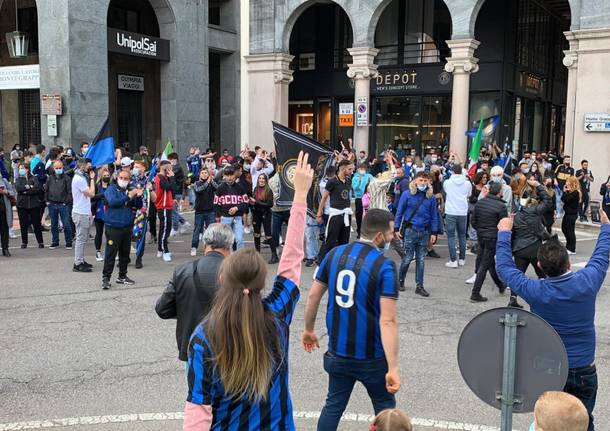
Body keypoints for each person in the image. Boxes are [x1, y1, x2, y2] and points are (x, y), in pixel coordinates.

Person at [183, 151, 313, 430]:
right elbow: (291, 259)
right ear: (260, 284)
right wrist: (300, 196)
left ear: (221, 278)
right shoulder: (277, 314)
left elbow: (198, 411)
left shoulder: (203, 335)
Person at [496, 209, 610, 431]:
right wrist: (605, 227)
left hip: (550, 367)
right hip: (583, 367)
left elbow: (505, 268)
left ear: (540, 266)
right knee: (582, 420)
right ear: (568, 262)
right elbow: (602, 254)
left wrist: (503, 233)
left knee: (550, 423)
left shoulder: (536, 290)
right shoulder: (587, 281)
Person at [302, 209, 400, 431]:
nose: (393, 237)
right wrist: (393, 367)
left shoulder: (335, 254)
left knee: (333, 405)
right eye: (391, 233)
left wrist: (308, 329)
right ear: (379, 236)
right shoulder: (384, 265)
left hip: (338, 351)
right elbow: (388, 321)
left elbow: (313, 295)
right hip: (371, 356)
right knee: (385, 409)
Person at [156, 223, 234, 361]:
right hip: (229, 348)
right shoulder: (237, 274)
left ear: (205, 245)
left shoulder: (182, 271)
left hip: (193, 347)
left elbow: (162, 309)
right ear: (229, 247)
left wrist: (185, 310)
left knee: (196, 382)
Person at [507, 178, 551, 308]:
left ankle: (513, 298)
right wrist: (538, 185)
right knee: (542, 274)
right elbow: (548, 200)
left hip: (520, 249)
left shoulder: (516, 216)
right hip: (535, 248)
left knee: (518, 275)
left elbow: (512, 234)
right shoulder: (536, 211)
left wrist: (511, 249)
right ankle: (546, 298)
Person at [394, 171, 439, 296]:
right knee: (407, 258)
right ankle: (400, 280)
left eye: (425, 181)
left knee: (421, 259)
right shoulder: (406, 194)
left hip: (424, 232)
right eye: (421, 180)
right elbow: (399, 212)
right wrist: (396, 228)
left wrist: (434, 232)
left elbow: (434, 216)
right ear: (415, 181)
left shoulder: (431, 197)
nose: (423, 183)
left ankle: (420, 286)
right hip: (410, 231)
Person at [101, 170, 143, 290]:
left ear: (129, 179)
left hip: (127, 225)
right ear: (117, 177)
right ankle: (106, 278)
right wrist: (128, 196)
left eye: (126, 178)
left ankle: (122, 276)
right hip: (113, 226)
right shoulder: (111, 189)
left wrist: (138, 196)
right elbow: (113, 202)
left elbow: (138, 206)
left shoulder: (131, 189)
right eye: (121, 177)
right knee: (111, 253)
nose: (123, 180)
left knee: (125, 252)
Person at [470, 181, 508, 302]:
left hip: (482, 236)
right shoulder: (501, 206)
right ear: (499, 192)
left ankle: (500, 285)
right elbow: (503, 225)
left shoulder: (480, 202)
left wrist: (480, 231)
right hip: (492, 237)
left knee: (488, 261)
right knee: (485, 264)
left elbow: (473, 221)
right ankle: (475, 293)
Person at [316, 159, 354, 263]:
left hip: (346, 214)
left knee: (344, 240)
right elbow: (323, 198)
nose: (351, 171)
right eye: (350, 169)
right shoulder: (332, 181)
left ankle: (340, 261)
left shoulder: (348, 180)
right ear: (343, 169)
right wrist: (319, 213)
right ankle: (322, 261)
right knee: (330, 240)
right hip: (335, 215)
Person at [214, 164, 249, 250]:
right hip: (225, 217)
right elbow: (216, 204)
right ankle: (227, 258)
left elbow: (246, 202)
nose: (229, 178)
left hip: (237, 217)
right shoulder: (220, 188)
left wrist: (237, 208)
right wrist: (218, 216)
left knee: (239, 239)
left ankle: (239, 258)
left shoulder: (240, 188)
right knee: (226, 241)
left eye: (231, 175)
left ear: (235, 175)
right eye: (227, 175)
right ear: (224, 176)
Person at [443, 164, 471, 268]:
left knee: (451, 236)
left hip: (451, 211)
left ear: (453, 172)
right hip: (462, 211)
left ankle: (453, 260)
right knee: (462, 235)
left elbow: (446, 191)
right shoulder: (467, 183)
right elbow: (469, 194)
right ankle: (462, 259)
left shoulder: (447, 182)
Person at [71, 158, 96, 272]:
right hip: (80, 212)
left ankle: (81, 260)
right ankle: (77, 263)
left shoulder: (81, 177)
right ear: (82, 166)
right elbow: (91, 193)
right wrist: (92, 179)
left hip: (84, 211)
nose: (89, 168)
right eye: (88, 166)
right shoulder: (79, 179)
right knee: (81, 239)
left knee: (83, 238)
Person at [15, 162, 44, 249]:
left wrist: (27, 190)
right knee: (23, 224)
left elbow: (37, 188)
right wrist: (29, 187)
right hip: (22, 205)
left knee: (36, 224)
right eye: (20, 168)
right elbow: (18, 188)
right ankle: (24, 242)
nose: (21, 170)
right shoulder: (18, 179)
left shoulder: (34, 178)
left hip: (34, 204)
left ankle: (40, 242)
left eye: (23, 168)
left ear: (27, 169)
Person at [45, 159, 73, 249]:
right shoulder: (50, 178)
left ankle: (68, 241)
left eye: (60, 168)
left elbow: (70, 192)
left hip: (63, 204)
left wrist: (66, 202)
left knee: (66, 224)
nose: (58, 169)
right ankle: (55, 241)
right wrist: (47, 201)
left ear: (63, 167)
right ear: (53, 168)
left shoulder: (67, 178)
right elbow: (46, 190)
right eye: (56, 168)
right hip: (52, 204)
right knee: (53, 224)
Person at [190, 167, 218, 256]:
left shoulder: (211, 183)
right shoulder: (196, 184)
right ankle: (194, 247)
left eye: (206, 173)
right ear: (199, 174)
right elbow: (199, 190)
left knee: (211, 231)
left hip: (210, 211)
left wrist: (212, 181)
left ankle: (211, 248)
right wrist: (207, 182)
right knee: (197, 230)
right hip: (199, 211)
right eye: (202, 173)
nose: (204, 174)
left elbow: (218, 189)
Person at [155, 160, 175, 262]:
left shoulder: (164, 178)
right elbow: (169, 187)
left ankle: (160, 248)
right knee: (165, 229)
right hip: (163, 206)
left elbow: (173, 188)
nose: (171, 169)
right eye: (170, 167)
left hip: (167, 206)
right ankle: (164, 250)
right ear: (165, 168)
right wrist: (171, 177)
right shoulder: (160, 177)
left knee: (165, 228)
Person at [268, 173, 290, 264]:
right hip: (276, 210)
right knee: (274, 233)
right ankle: (274, 253)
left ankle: (290, 253)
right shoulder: (272, 180)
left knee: (291, 232)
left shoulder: (288, 177)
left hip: (287, 208)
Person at [251, 173, 274, 254]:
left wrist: (256, 202)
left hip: (266, 214)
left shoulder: (269, 190)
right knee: (256, 234)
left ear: (266, 180)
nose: (261, 180)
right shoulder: (255, 189)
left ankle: (274, 255)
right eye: (260, 178)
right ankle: (257, 252)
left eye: (263, 178)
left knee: (268, 235)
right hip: (256, 214)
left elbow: (270, 204)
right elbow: (254, 202)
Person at [92, 167, 110, 262]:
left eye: (107, 175)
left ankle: (110, 252)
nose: (106, 177)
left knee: (109, 234)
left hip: (109, 213)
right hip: (99, 213)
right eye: (104, 176)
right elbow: (92, 198)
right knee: (99, 233)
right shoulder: (96, 186)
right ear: (101, 176)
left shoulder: (112, 186)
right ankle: (98, 251)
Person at [168, 153, 188, 235]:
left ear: (174, 159)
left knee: (173, 211)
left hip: (177, 192)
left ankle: (175, 228)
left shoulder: (177, 167)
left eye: (169, 159)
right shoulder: (175, 167)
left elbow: (170, 175)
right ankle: (183, 222)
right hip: (175, 191)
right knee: (173, 210)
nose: (168, 161)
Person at [352, 163, 374, 239]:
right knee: (359, 215)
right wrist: (359, 181)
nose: (362, 170)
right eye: (360, 169)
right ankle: (359, 231)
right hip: (359, 198)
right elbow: (355, 188)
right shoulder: (355, 177)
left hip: (368, 197)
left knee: (368, 215)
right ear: (357, 169)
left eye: (363, 169)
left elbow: (374, 184)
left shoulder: (369, 176)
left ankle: (367, 231)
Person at [562, 176, 581, 254]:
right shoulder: (569, 192)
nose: (566, 183)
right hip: (567, 213)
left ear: (572, 183)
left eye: (568, 181)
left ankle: (572, 249)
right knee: (564, 229)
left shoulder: (576, 192)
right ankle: (568, 246)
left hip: (572, 214)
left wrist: (566, 192)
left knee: (570, 231)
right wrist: (565, 191)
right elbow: (563, 199)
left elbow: (566, 200)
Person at [0, 176, 16, 256]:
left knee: (4, 231)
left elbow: (13, 191)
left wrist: (6, 191)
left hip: (3, 210)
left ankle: (5, 248)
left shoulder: (4, 180)